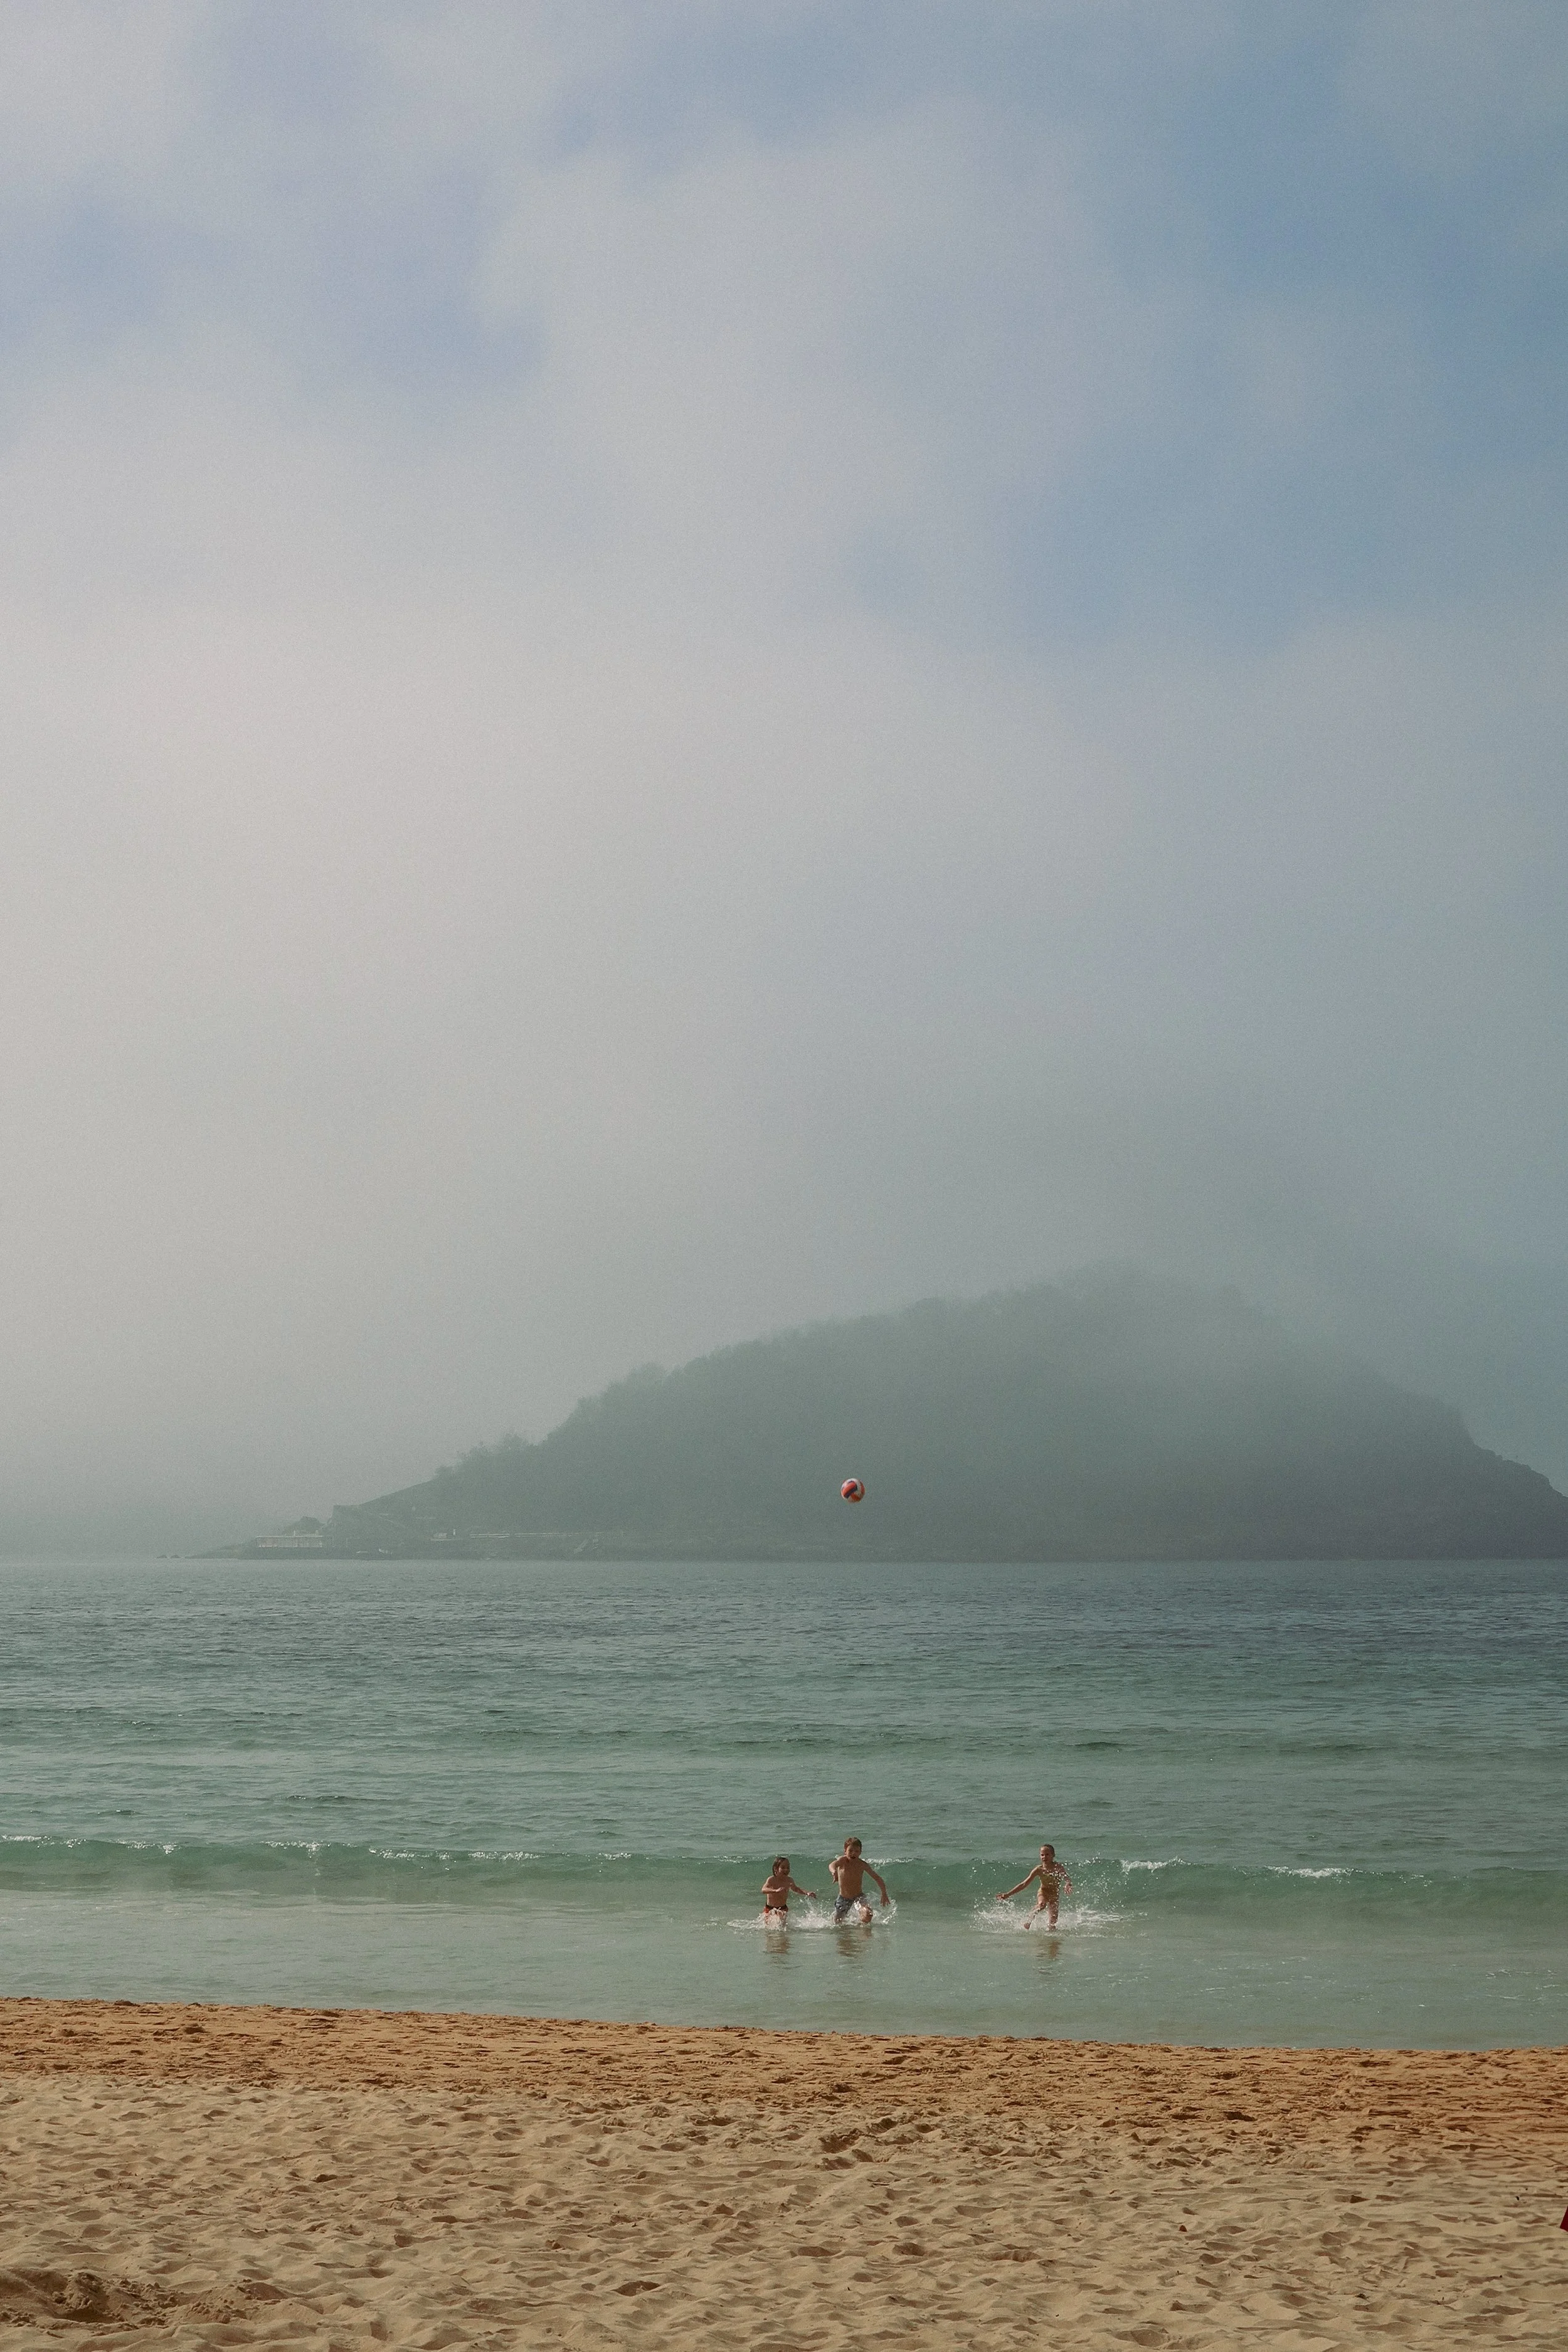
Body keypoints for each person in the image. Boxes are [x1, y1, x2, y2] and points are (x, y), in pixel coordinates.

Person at [997, 1843, 1071, 1929]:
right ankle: (1029, 1919)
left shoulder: (1058, 1867)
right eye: (1042, 1855)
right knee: (1042, 1905)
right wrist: (1008, 1894)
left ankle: (1051, 1940)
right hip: (1043, 1892)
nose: (1044, 1857)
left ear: (1053, 1855)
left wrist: (1068, 1884)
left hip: (1055, 1895)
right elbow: (1024, 1884)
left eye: (1047, 1855)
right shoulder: (1039, 1870)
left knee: (1052, 1923)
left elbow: (1066, 1878)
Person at [829, 1836, 889, 1923]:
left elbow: (877, 1878)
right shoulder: (843, 1861)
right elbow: (832, 1865)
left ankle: (863, 1932)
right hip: (843, 1898)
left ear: (860, 1852)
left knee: (868, 1914)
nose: (853, 1853)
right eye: (850, 1851)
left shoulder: (862, 1865)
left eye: (857, 1851)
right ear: (845, 1851)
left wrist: (884, 1893)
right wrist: (834, 1871)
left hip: (858, 1897)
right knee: (837, 1923)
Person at [760, 1857, 815, 1925]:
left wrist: (807, 1893)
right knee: (768, 1928)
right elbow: (763, 1890)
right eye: (783, 1868)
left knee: (781, 1927)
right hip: (770, 1909)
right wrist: (775, 1891)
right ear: (776, 1869)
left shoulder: (789, 1880)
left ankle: (782, 1936)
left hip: (783, 1908)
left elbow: (796, 1889)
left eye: (788, 1868)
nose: (786, 1870)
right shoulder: (771, 1880)